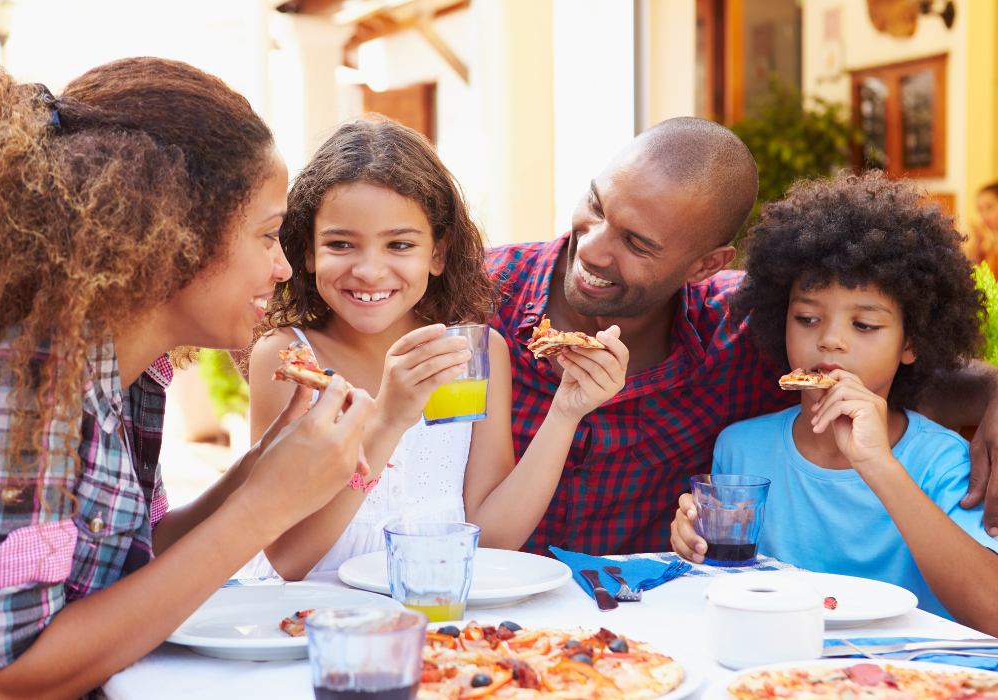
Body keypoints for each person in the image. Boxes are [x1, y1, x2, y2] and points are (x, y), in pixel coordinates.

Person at [0, 60, 374, 699]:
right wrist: (265, 508)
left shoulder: (134, 375)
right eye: (266, 236)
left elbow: (125, 564)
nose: (284, 268)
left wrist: (259, 467)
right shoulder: (33, 387)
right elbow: (14, 674)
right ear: (177, 239)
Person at [488, 116, 998, 557]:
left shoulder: (749, 334)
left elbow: (895, 372)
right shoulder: (481, 297)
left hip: (642, 637)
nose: (594, 251)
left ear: (705, 265)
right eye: (596, 206)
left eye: (637, 243)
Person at [243, 117, 628, 581]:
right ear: (306, 251)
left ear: (438, 252)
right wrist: (386, 421)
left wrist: (566, 412)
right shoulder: (290, 361)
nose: (369, 270)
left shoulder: (471, 355)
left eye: (399, 244)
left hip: (435, 618)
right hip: (306, 621)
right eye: (341, 244)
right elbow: (291, 558)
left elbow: (490, 537)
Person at [669, 172, 998, 634]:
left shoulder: (942, 461)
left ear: (912, 342)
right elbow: (731, 589)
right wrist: (692, 544)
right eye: (807, 317)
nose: (830, 340)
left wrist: (877, 464)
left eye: (864, 325)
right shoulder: (740, 448)